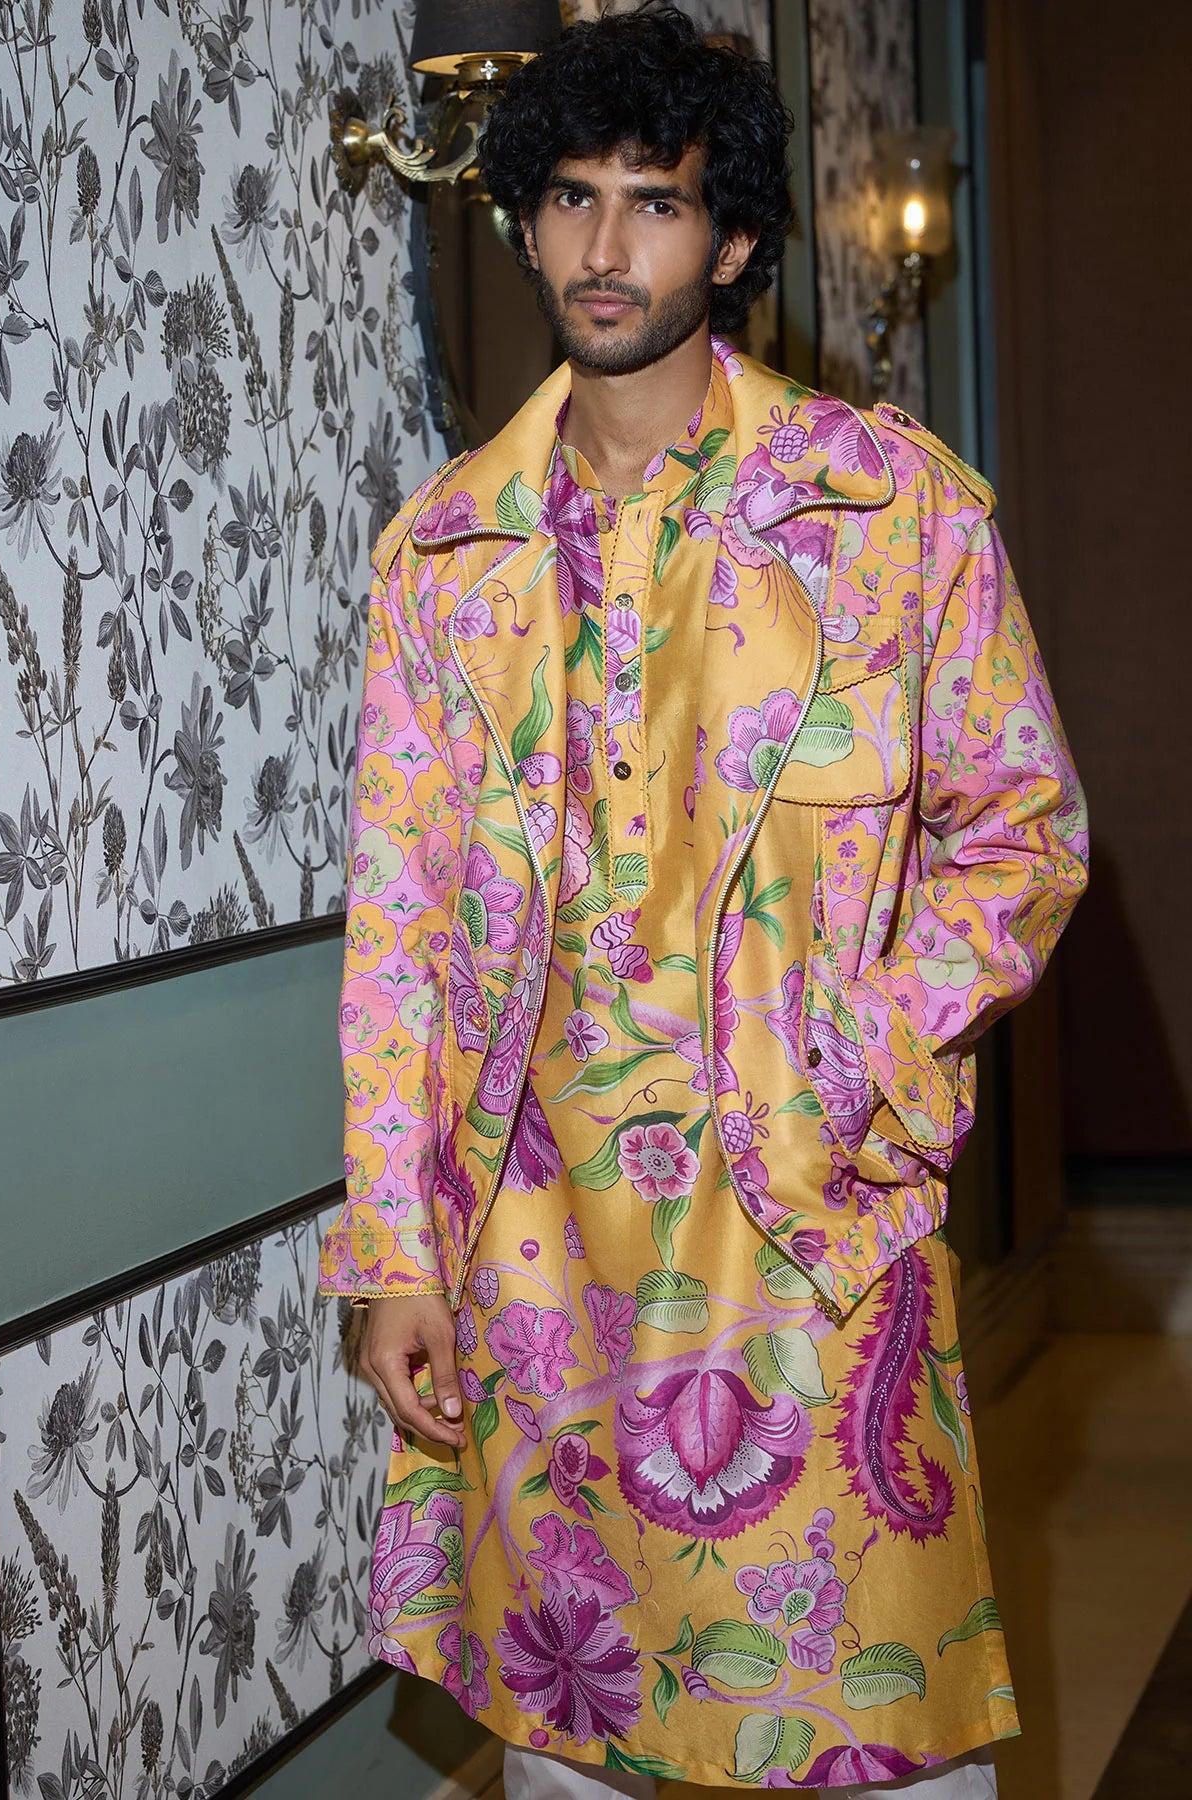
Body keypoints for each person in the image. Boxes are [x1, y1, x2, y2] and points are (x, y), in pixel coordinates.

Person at [318, 7, 1087, 1794]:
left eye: (654, 203)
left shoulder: (888, 515)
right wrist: (393, 1256)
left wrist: (857, 1050)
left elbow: (1023, 835)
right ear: (525, 223)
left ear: (731, 239)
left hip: (804, 1215)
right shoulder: (444, 557)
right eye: (570, 199)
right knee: (573, 1732)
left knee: (875, 1724)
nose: (605, 246)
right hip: (536, 1245)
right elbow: (400, 929)